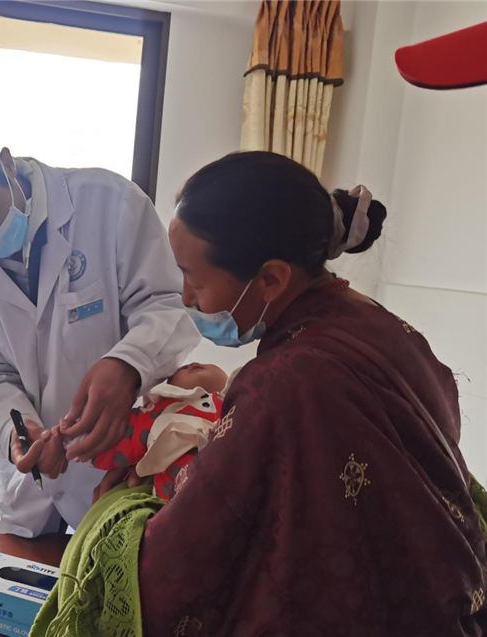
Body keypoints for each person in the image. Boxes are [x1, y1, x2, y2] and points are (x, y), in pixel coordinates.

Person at [137, 152, 487, 635]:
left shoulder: (279, 385)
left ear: (271, 279)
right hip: (448, 600)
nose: (185, 297)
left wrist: (121, 516)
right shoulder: (377, 322)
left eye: (193, 278)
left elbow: (185, 555)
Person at [0, 109, 199, 536]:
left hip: (122, 467)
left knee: (115, 567)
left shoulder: (110, 204)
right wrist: (16, 433)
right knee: (11, 576)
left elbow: (168, 303)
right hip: (27, 494)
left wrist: (129, 365)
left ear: (5, 164)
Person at [91, 362, 226, 501]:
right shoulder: (158, 413)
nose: (191, 364)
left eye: (207, 364)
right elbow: (116, 436)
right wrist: (82, 437)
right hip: (181, 497)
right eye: (181, 370)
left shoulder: (234, 403)